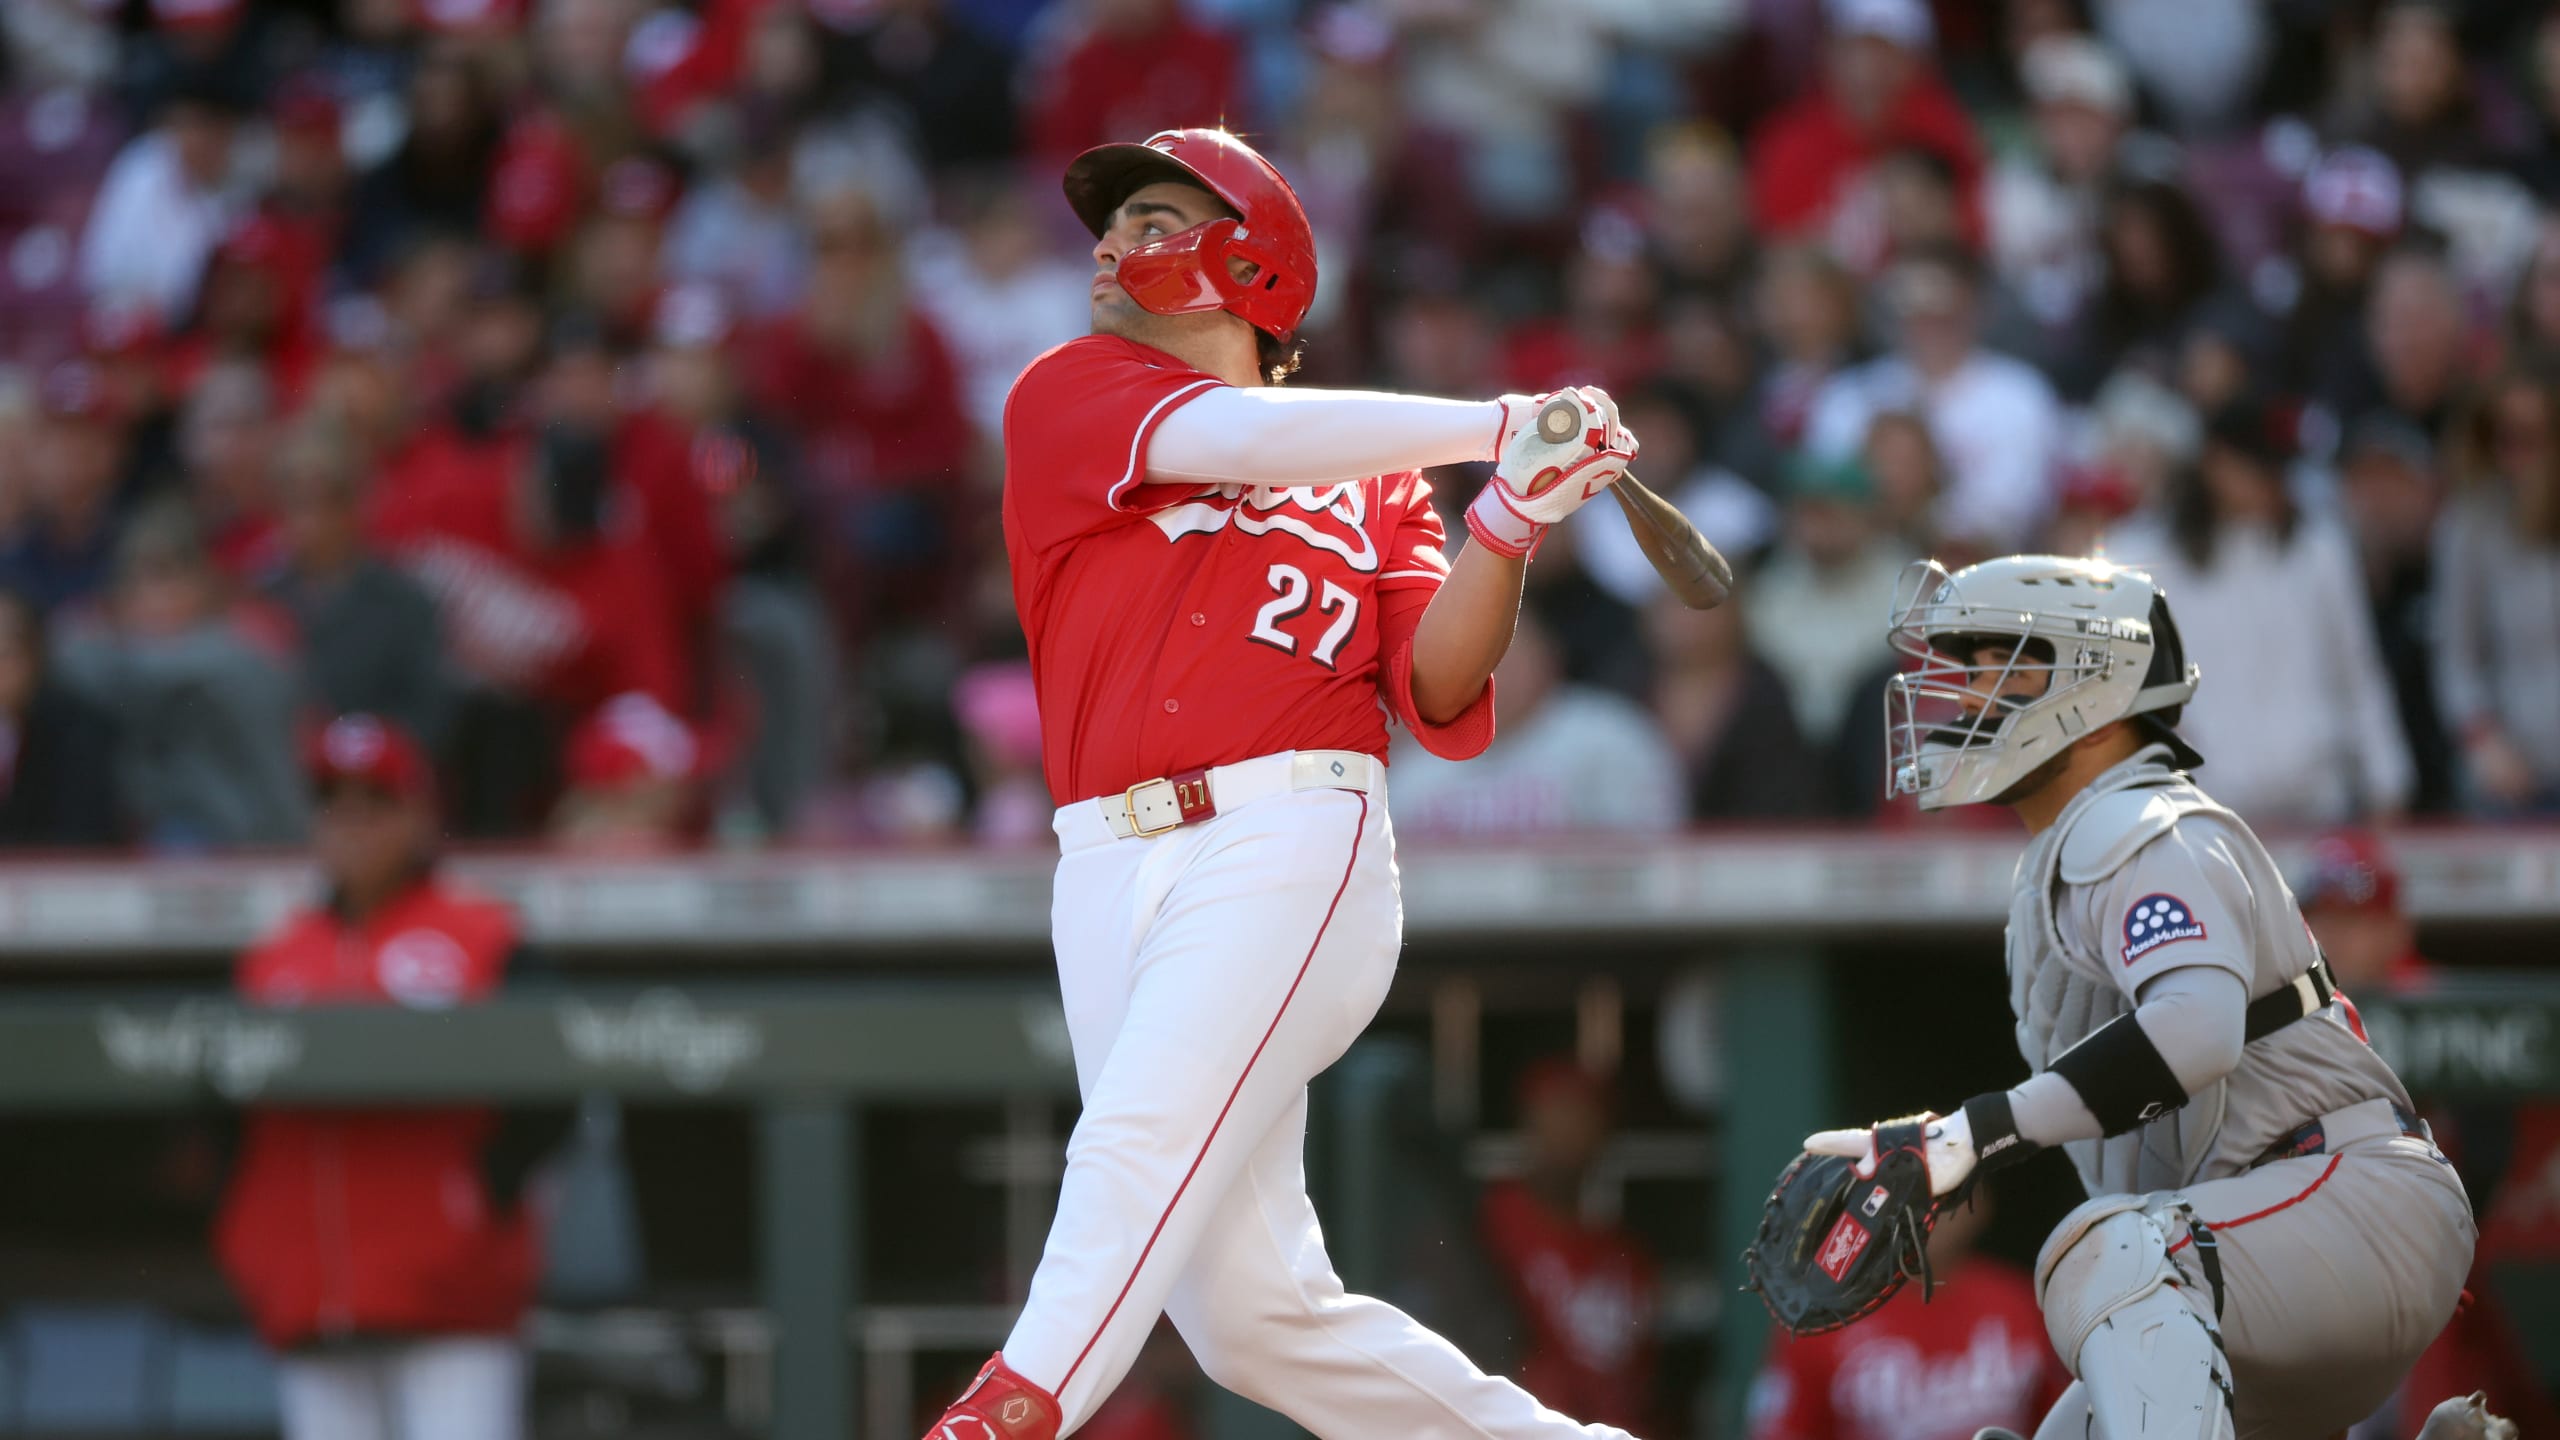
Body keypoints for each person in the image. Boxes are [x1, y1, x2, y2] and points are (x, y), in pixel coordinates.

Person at [923, 126, 1643, 1440]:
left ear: (1249, 264)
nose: (1111, 246)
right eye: (1112, 224)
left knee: (1134, 1136)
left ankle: (1005, 1412)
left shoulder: (1378, 487)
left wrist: (1508, 520)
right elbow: (1243, 437)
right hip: (1102, 862)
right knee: (1249, 1318)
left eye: (1151, 221)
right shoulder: (1070, 390)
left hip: (1289, 830)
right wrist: (1499, 424)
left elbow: (1436, 685)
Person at [1800, 553, 2474, 1440]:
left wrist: (1969, 1136)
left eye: (2004, 666)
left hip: (2346, 1202)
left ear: (2097, 689)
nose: (1967, 695)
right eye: (1968, 668)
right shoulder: (2072, 847)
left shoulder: (2144, 824)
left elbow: (2197, 1031)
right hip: (2256, 1251)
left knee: (2102, 1251)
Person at [214, 714, 562, 1440]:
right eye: (334, 806)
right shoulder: (273, 956)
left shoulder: (484, 935)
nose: (353, 827)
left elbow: (553, 1094)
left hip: (452, 1292)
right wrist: (252, 1228)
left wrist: (484, 1191)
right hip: (308, 1289)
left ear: (420, 816)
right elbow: (222, 1114)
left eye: (375, 804)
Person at [1745, 1186, 2068, 1440]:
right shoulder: (1825, 1317)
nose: (1929, 1213)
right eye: (1912, 1195)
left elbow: (2069, 1422)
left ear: (1981, 1205)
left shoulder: (2021, 1302)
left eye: (1948, 1197)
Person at [1388, 602, 1683, 837]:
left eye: (1500, 654)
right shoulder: (1415, 770)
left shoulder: (1610, 738)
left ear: (1546, 654)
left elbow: (1651, 862)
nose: (1486, 673)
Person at [1478, 1060, 1660, 1436]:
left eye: (1583, 1113)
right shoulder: (1494, 1222)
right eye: (1556, 1110)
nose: (1569, 1129)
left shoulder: (1625, 1257)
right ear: (1528, 1123)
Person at [2432, 367, 2560, 815]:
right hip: (2515, 778)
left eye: (2532, 438)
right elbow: (2457, 658)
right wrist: (2483, 740)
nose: (2517, 455)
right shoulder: (2471, 524)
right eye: (2503, 438)